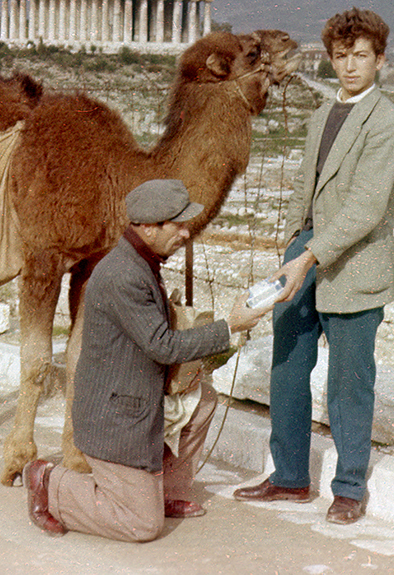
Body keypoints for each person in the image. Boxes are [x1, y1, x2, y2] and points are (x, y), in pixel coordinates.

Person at [233, 7, 394, 524]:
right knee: (288, 367)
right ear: (331, 59)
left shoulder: (389, 122)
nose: (350, 66)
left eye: (360, 56)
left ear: (380, 58)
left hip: (353, 261)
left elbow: (366, 207)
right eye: (340, 56)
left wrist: (307, 255)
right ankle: (289, 477)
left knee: (350, 381)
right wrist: (292, 245)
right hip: (304, 255)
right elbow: (303, 190)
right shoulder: (320, 117)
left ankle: (349, 488)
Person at [25, 178, 271, 542]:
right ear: (148, 228)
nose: (187, 234)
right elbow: (163, 346)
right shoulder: (123, 275)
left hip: (135, 397)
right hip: (116, 418)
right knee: (142, 525)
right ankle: (50, 483)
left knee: (202, 401)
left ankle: (165, 491)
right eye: (179, 224)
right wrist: (230, 326)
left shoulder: (140, 261)